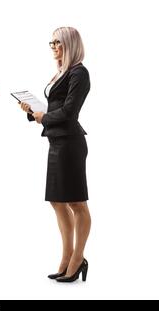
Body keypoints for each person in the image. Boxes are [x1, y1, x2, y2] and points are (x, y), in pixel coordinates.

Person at [20, 27, 91, 283]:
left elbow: (70, 112)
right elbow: (56, 109)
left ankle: (76, 258)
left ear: (70, 44)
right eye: (51, 43)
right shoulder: (63, 72)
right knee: (57, 201)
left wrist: (44, 116)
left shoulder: (79, 73)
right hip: (56, 142)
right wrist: (34, 113)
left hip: (70, 144)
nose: (53, 47)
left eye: (57, 43)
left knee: (77, 203)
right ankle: (67, 257)